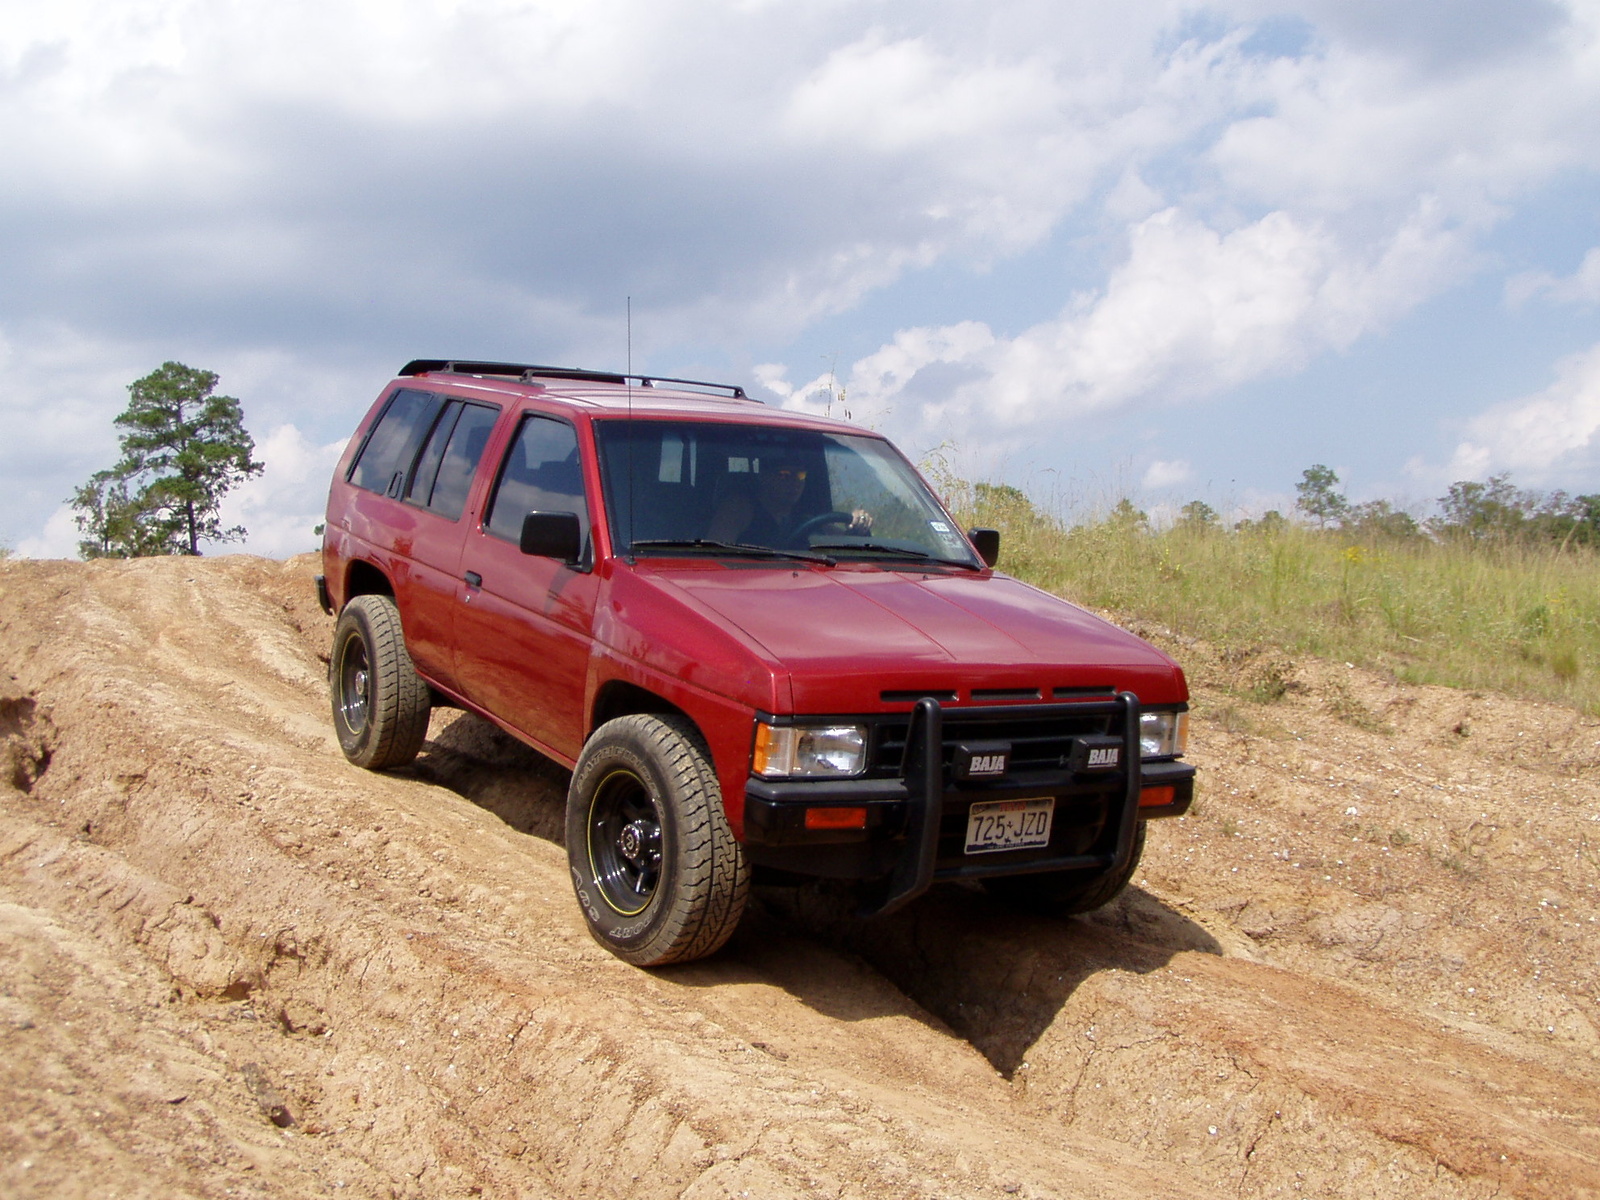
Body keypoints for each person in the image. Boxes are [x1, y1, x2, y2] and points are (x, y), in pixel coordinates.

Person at [705, 454, 871, 547]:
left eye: (800, 475)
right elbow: (715, 552)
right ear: (764, 477)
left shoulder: (806, 517)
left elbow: (842, 542)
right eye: (785, 475)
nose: (795, 482)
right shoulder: (740, 508)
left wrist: (856, 525)